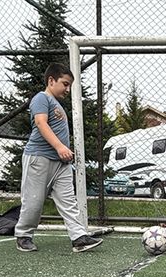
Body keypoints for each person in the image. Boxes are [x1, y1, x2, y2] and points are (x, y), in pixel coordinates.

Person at [14, 62, 102, 253]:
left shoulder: (57, 105)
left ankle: (79, 237)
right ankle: (23, 235)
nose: (68, 89)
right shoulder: (41, 98)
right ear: (51, 80)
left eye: (70, 85)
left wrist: (63, 152)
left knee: (68, 200)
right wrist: (60, 147)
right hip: (39, 158)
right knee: (34, 201)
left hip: (61, 163)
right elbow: (40, 123)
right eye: (65, 84)